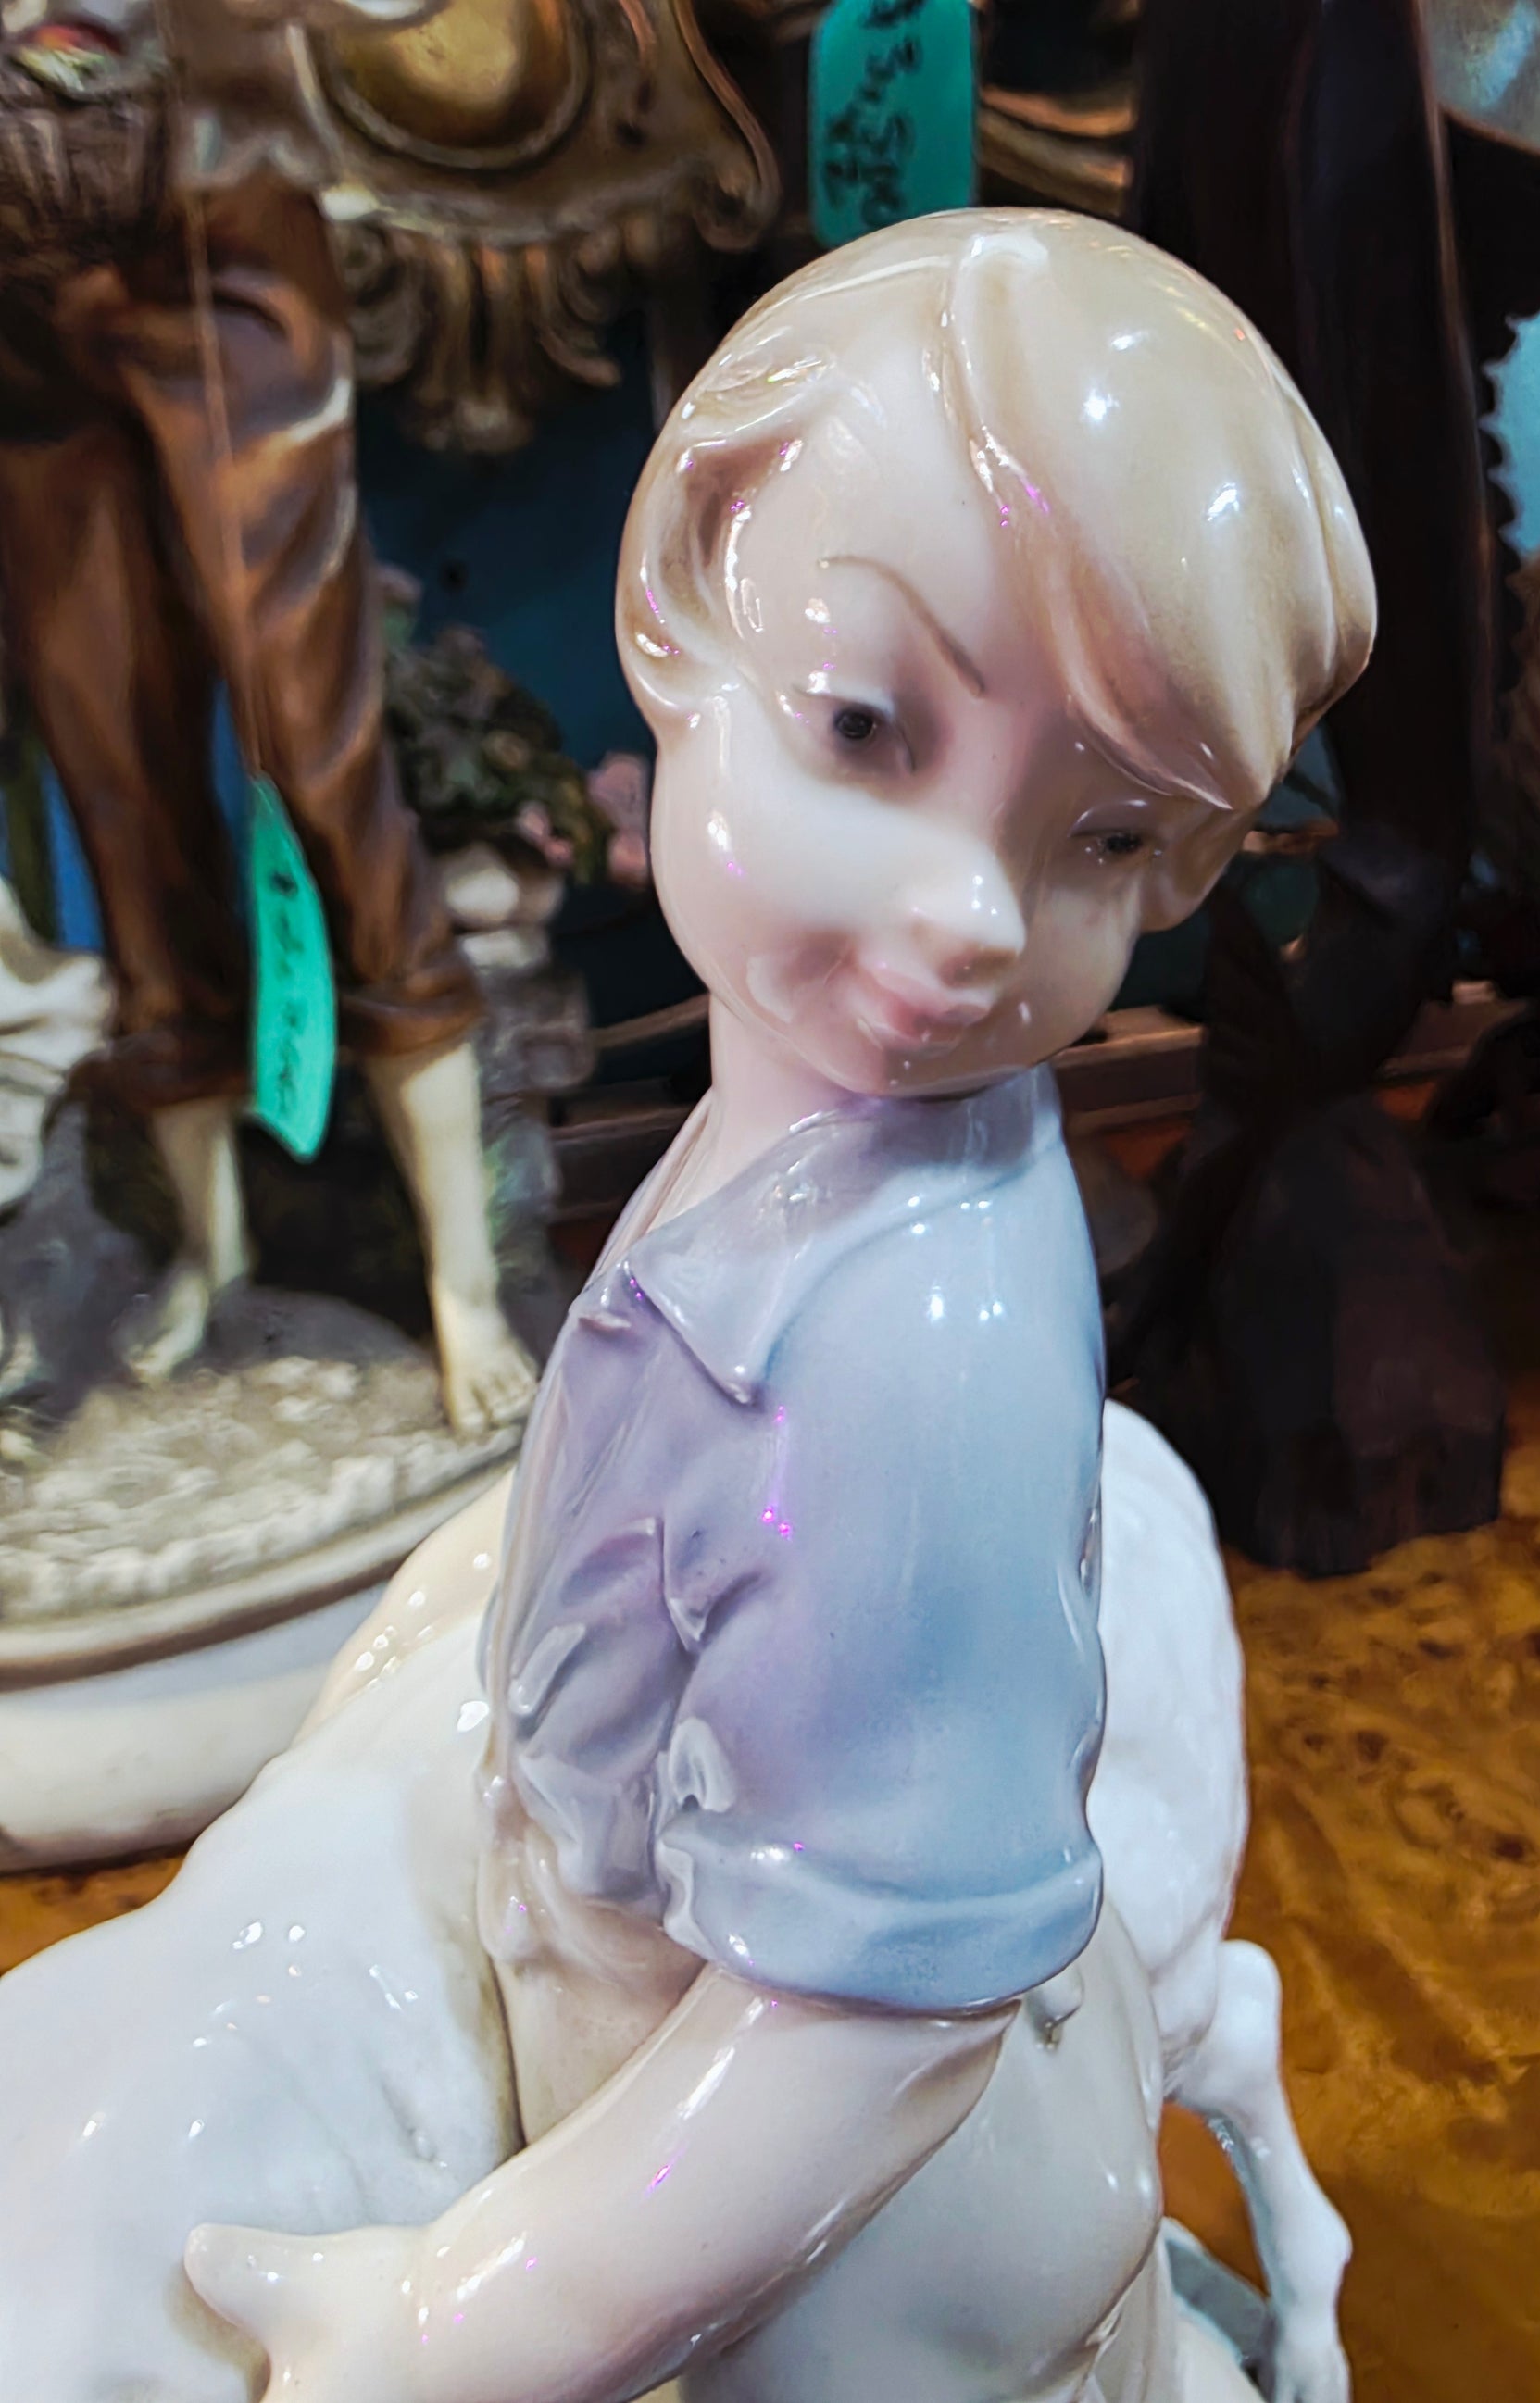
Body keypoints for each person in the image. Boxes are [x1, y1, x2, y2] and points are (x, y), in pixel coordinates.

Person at [181, 209, 1374, 2400]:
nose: (968, 913)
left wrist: (454, 2320)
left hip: (816, 2257)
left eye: (1102, 838)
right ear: (681, 585)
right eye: (867, 724)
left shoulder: (912, 1351)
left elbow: (864, 2029)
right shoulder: (817, 1144)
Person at [0, 0, 535, 1431]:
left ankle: (463, 1278)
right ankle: (211, 1247)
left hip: (213, 225)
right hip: (22, 304)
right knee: (111, 769)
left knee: (310, 738)